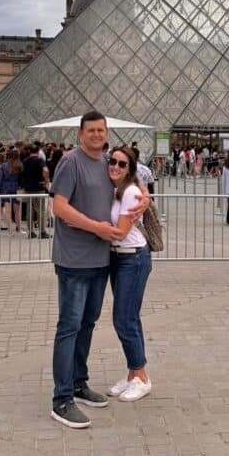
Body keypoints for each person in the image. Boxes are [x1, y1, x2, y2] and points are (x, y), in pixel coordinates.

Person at [49, 111, 148, 429]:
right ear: (80, 133)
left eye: (101, 130)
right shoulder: (70, 161)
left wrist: (145, 199)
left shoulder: (108, 163)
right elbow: (59, 206)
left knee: (87, 324)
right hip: (74, 259)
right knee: (69, 326)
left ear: (106, 133)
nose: (96, 134)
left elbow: (132, 181)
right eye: (91, 130)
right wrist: (98, 229)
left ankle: (79, 382)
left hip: (100, 261)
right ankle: (62, 399)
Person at [106, 146, 153, 402]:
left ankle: (143, 377)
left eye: (122, 164)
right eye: (112, 161)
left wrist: (82, 224)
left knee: (124, 319)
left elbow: (121, 233)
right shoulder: (116, 188)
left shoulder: (131, 191)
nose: (115, 166)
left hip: (133, 258)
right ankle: (132, 374)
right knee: (129, 318)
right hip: (119, 258)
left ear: (130, 169)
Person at [22, 142, 51, 238]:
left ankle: (31, 232)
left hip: (27, 188)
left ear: (29, 151)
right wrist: (46, 181)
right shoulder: (40, 160)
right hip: (38, 188)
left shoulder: (25, 161)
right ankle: (42, 231)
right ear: (38, 151)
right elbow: (46, 170)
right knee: (40, 210)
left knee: (29, 210)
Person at [0, 148, 23, 232]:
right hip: (16, 188)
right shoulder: (20, 165)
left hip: (5, 187)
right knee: (17, 211)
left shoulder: (3, 166)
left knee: (7, 211)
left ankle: (9, 229)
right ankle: (19, 228)